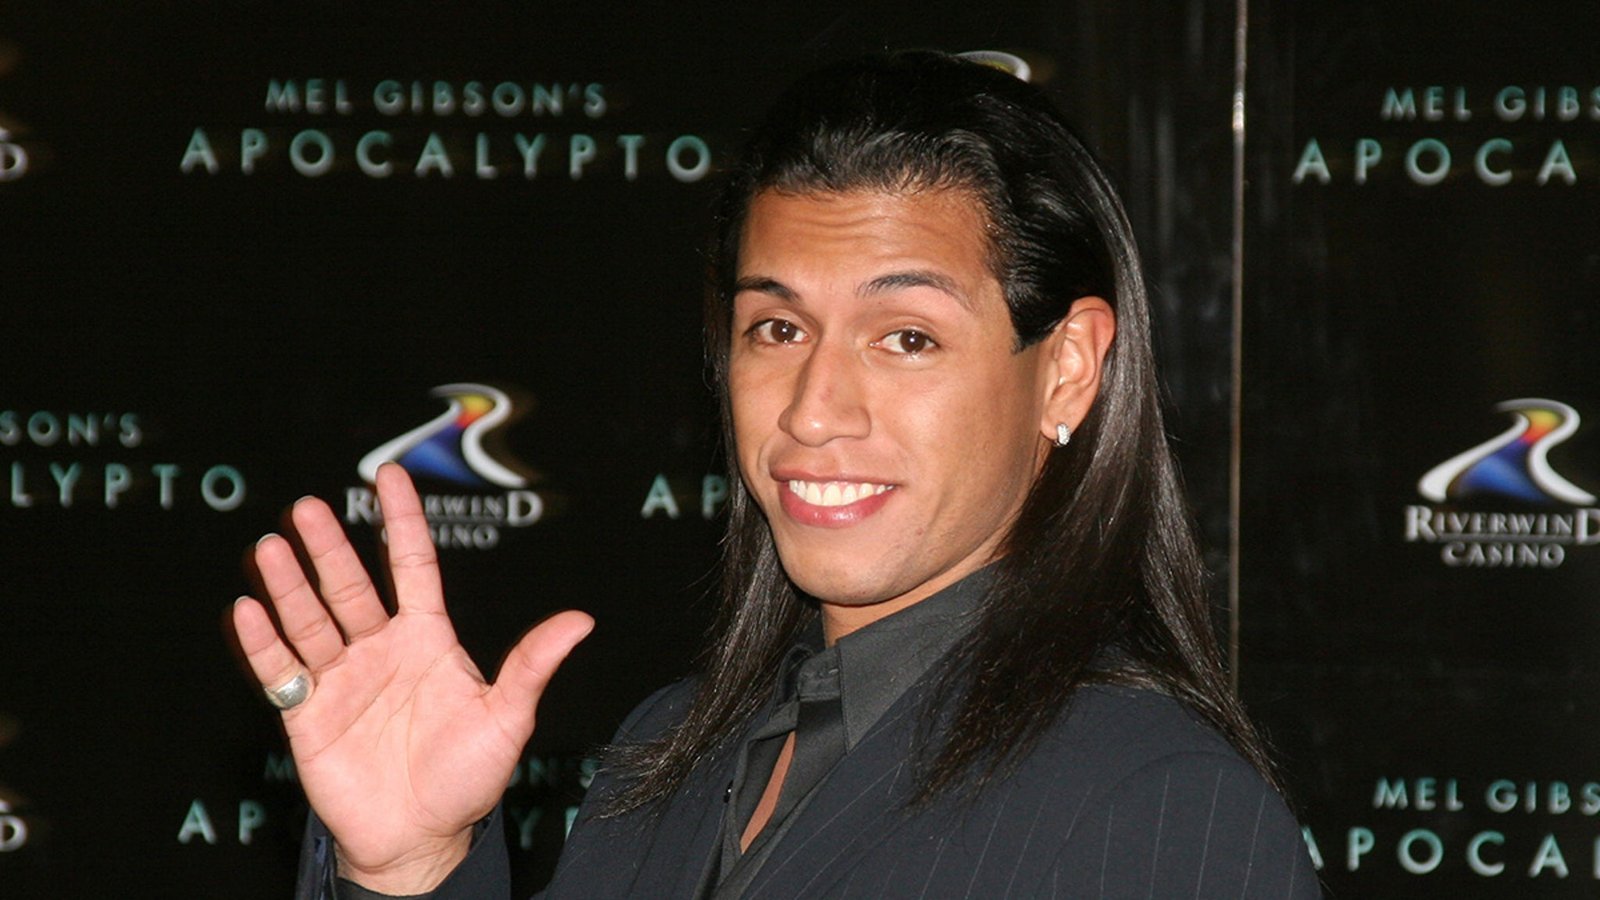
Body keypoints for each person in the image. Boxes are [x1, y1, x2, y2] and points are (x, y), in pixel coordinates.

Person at [233, 51, 1320, 898]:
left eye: (906, 338)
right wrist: (410, 869)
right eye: (777, 328)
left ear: (1067, 370)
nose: (811, 409)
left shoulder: (1158, 805)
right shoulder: (661, 756)